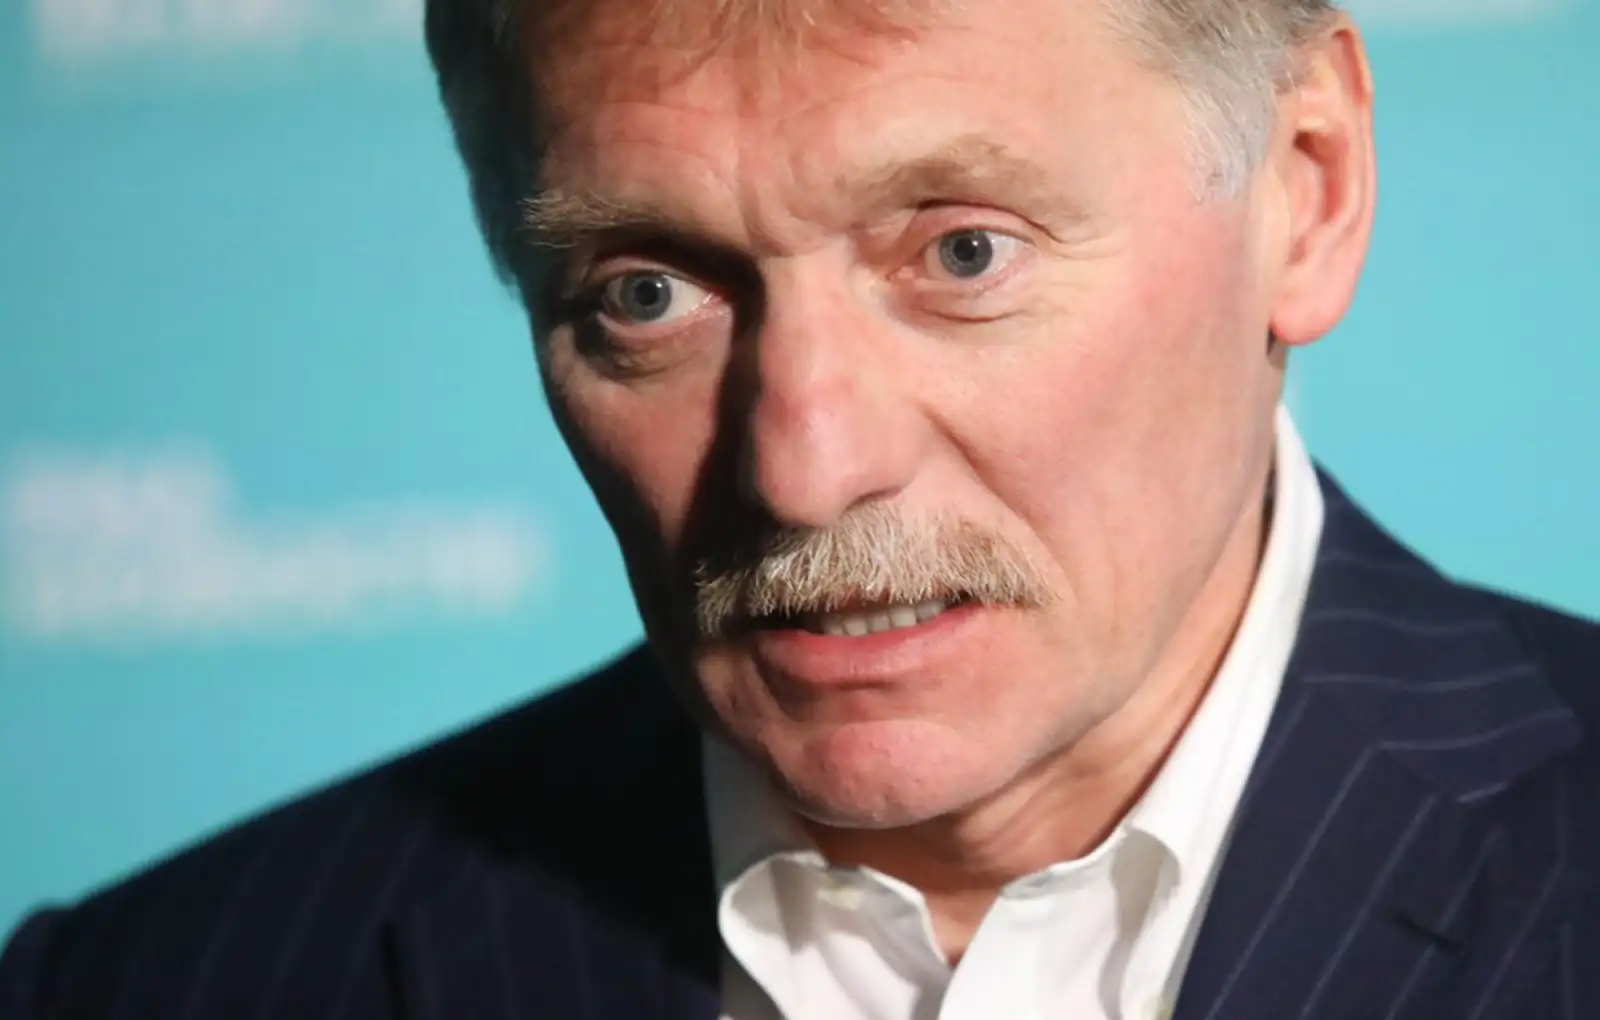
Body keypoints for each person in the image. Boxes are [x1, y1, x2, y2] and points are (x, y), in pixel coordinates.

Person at [4, 0, 1598, 1017]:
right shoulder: (162, 983)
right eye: (646, 293)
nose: (804, 467)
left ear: (1306, 188)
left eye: (961, 252)